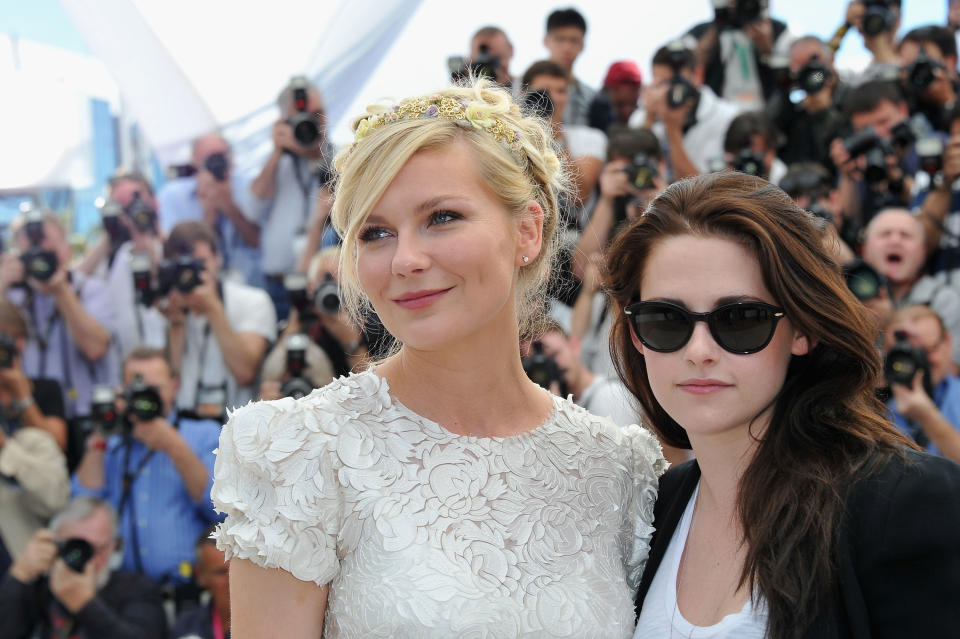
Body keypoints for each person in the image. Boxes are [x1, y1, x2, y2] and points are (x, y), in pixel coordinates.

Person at [212, 80, 666, 637]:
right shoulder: (297, 453)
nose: (404, 259)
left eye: (442, 217)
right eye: (375, 233)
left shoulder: (619, 468)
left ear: (528, 229)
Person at [603, 171, 960, 637]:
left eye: (740, 319)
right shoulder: (654, 507)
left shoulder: (902, 502)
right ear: (636, 335)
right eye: (666, 320)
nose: (699, 350)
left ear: (803, 330)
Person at [72, 347, 222, 585]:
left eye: (154, 389)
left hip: (183, 589)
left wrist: (173, 445)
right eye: (137, 390)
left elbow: (220, 508)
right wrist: (101, 432)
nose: (145, 399)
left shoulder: (204, 435)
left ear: (174, 386)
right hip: (121, 590)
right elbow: (81, 507)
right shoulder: (112, 443)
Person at [0, 209, 118, 420]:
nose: (40, 258)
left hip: (85, 413)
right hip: (31, 415)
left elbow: (95, 349)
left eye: (48, 248)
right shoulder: (12, 296)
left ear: (67, 250)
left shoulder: (90, 288)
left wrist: (62, 292)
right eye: (32, 251)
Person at [0, 496, 167, 639]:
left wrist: (85, 604)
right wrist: (19, 575)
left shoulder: (137, 589)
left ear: (113, 546)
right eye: (77, 548)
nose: (89, 560)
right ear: (57, 543)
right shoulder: (40, 587)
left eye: (98, 549)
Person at [162, 221, 276, 419]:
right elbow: (171, 380)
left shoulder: (252, 301)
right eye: (182, 266)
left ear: (218, 259)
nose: (190, 274)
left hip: (236, 428)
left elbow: (244, 373)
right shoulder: (169, 307)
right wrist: (176, 323)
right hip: (184, 426)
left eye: (198, 264)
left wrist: (213, 308)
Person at [250, 76, 336, 321]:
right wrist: (277, 152)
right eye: (303, 116)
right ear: (285, 121)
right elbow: (253, 211)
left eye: (318, 114)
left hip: (324, 285)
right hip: (276, 285)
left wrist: (312, 151)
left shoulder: (339, 158)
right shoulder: (277, 165)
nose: (311, 122)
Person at [157, 133, 264, 288]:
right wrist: (208, 214)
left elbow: (257, 241)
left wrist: (229, 205)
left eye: (220, 156)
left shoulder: (249, 186)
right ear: (194, 161)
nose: (216, 164)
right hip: (200, 287)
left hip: (251, 285)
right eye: (208, 158)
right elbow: (176, 251)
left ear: (230, 158)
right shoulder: (173, 196)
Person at [639, 41, 742, 179]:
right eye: (660, 84)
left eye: (674, 83)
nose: (668, 91)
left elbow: (708, 193)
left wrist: (673, 130)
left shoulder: (729, 118)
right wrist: (649, 119)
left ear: (698, 75)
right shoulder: (643, 116)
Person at [884, 305, 960, 463]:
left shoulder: (955, 397)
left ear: (947, 342)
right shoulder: (873, 401)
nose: (917, 364)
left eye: (925, 351)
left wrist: (927, 417)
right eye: (904, 353)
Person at [170, 526, 231, 639]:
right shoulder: (186, 626)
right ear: (200, 575)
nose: (231, 581)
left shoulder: (268, 624)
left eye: (236, 572)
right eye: (221, 572)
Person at [542, 7, 596, 127]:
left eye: (573, 40)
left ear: (582, 45)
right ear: (546, 41)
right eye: (560, 39)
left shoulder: (591, 98)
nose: (567, 48)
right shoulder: (520, 87)